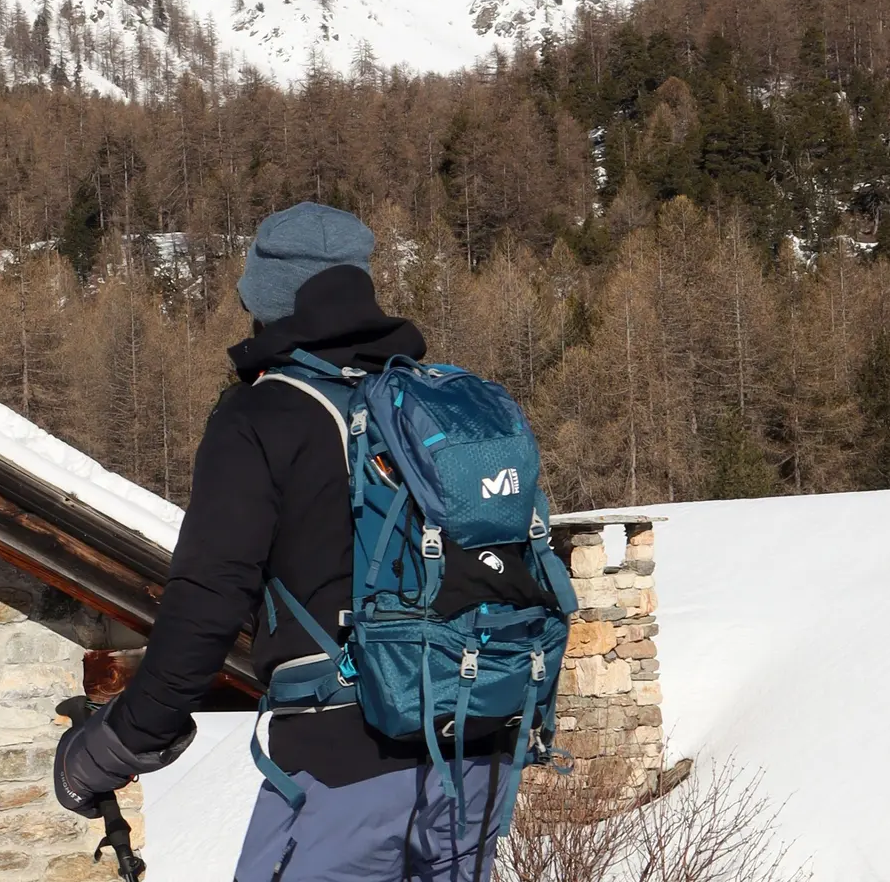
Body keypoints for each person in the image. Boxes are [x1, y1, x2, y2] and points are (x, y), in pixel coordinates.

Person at [54, 202, 535, 881]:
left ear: (265, 296)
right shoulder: (428, 405)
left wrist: (116, 745)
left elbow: (208, 602)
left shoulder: (261, 415)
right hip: (473, 758)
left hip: (341, 761)